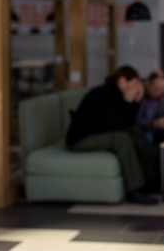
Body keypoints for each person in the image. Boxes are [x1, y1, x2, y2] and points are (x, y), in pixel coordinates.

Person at [65, 65, 158, 205]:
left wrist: (135, 103)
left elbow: (128, 124)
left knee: (136, 132)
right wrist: (128, 101)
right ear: (122, 81)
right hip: (80, 139)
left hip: (99, 133)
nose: (136, 88)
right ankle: (134, 190)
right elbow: (119, 126)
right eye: (133, 84)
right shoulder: (105, 94)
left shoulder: (119, 94)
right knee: (122, 139)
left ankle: (148, 181)